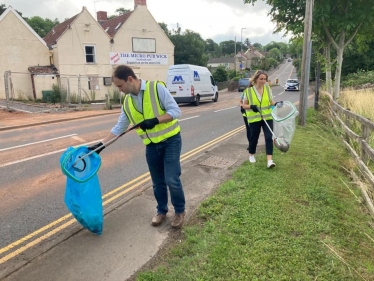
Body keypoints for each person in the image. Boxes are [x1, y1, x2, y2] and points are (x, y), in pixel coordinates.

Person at [88, 65, 186, 229]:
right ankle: (162, 211)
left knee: (171, 179)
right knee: (157, 182)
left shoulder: (157, 89)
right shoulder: (127, 102)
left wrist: (155, 120)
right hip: (151, 146)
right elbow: (119, 128)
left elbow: (176, 111)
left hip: (171, 141)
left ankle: (180, 211)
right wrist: (101, 145)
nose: (119, 90)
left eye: (120, 86)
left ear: (130, 79)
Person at [240, 70, 282, 169]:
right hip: (254, 119)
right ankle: (251, 154)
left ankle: (269, 161)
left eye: (265, 79)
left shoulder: (267, 89)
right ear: (256, 79)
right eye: (261, 79)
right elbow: (243, 105)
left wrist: (276, 104)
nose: (263, 81)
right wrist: (251, 106)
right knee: (254, 137)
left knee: (269, 137)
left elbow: (270, 101)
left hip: (267, 117)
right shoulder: (249, 91)